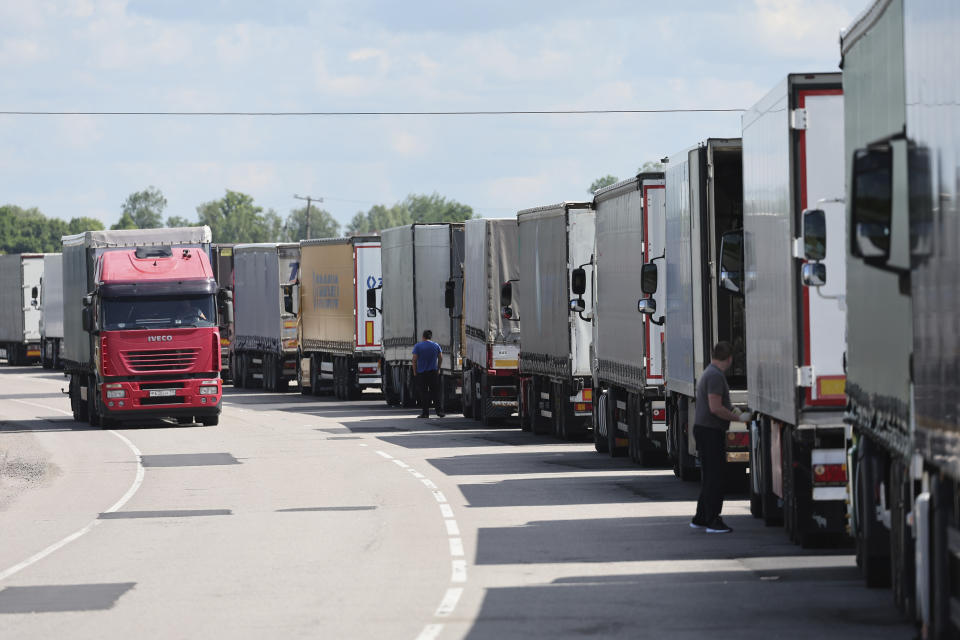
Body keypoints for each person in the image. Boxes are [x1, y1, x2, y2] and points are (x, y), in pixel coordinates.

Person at [690, 341, 751, 534]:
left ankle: (700, 518)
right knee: (716, 478)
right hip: (710, 431)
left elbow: (718, 404)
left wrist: (732, 409)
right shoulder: (716, 376)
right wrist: (738, 418)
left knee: (709, 476)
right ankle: (713, 520)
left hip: (704, 429)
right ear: (730, 359)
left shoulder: (710, 372)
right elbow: (715, 408)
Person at [412, 330, 444, 418]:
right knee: (435, 392)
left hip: (422, 373)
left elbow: (414, 360)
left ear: (423, 337)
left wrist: (415, 372)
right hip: (433, 372)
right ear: (430, 337)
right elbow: (440, 357)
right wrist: (438, 368)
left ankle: (425, 413)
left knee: (424, 393)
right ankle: (439, 412)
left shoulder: (418, 346)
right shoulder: (436, 345)